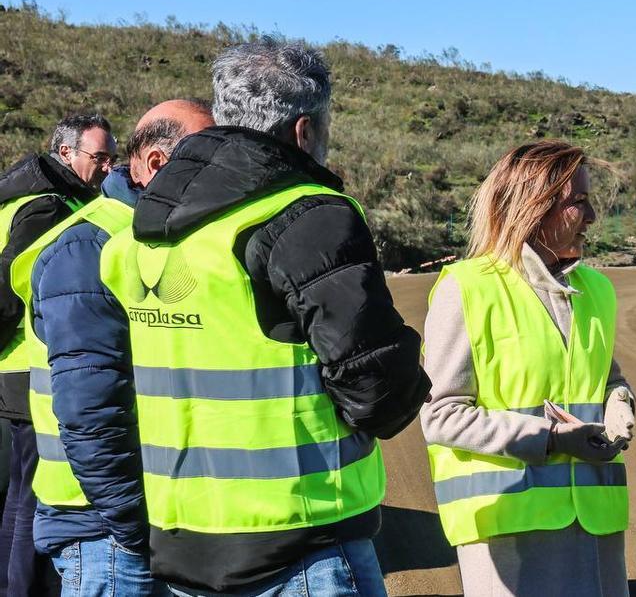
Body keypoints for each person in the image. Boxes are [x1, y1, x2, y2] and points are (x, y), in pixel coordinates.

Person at [99, 40, 431, 595]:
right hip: (301, 541)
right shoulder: (308, 215)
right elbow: (377, 393)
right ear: (304, 131)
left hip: (182, 539)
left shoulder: (134, 237)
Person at [11, 100, 213, 597]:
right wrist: (128, 521)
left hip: (146, 517)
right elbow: (89, 408)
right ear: (156, 165)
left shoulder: (167, 238)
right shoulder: (91, 246)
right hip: (103, 527)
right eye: (206, 161)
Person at [421, 139, 634, 597]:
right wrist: (551, 439)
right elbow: (440, 415)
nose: (593, 218)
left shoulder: (596, 289)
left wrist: (619, 402)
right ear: (533, 206)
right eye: (580, 203)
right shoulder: (466, 289)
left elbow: (606, 376)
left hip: (594, 523)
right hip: (507, 531)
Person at [0, 113, 113, 596]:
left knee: (17, 497)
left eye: (112, 158)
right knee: (31, 498)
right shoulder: (51, 209)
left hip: (14, 370)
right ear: (65, 153)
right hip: (28, 372)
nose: (107, 168)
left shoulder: (21, 199)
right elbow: (8, 289)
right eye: (99, 157)